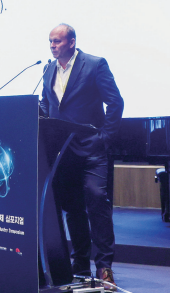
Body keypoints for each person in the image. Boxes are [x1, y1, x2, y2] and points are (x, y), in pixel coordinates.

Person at [39, 24, 124, 290]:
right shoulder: (48, 70)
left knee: (97, 201)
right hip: (63, 152)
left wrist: (104, 138)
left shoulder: (95, 65)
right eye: (50, 41)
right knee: (73, 209)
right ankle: (80, 265)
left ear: (72, 42)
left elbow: (116, 102)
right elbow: (47, 104)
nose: (52, 46)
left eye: (57, 41)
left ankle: (104, 267)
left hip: (92, 150)